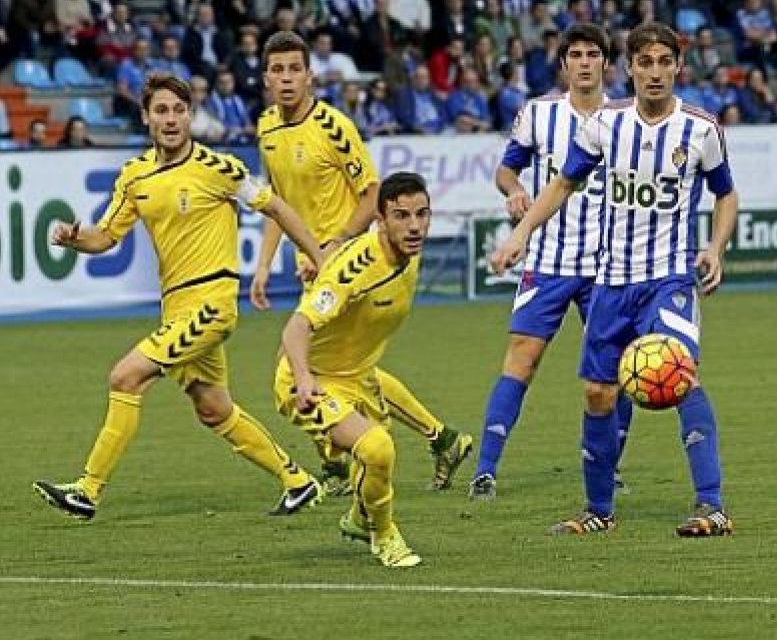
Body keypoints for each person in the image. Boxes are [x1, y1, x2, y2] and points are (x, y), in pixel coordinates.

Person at [33, 73, 328, 522]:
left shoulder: (219, 167)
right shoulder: (135, 176)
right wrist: (74, 237)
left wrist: (320, 259)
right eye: (161, 111)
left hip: (213, 304)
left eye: (178, 110)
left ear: (190, 115)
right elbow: (106, 237)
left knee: (125, 377)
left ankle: (88, 490)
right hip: (177, 307)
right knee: (213, 409)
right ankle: (298, 481)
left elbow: (276, 206)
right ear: (146, 117)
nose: (170, 119)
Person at [490, 22, 738, 538]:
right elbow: (562, 183)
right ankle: (598, 511)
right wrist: (521, 235)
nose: (653, 72)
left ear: (677, 67)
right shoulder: (606, 124)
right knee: (599, 395)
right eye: (643, 62)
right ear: (629, 68)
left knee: (678, 372)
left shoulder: (700, 129)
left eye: (663, 62)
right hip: (610, 282)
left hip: (668, 278)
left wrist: (714, 247)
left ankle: (712, 506)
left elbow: (725, 194)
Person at [252, 31, 473, 495]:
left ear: (310, 75)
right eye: (278, 70)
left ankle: (336, 463)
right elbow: (277, 201)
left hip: (348, 259)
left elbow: (374, 194)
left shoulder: (334, 127)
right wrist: (264, 265)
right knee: (342, 366)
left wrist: (336, 243)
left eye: (296, 69)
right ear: (266, 77)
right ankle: (440, 438)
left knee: (296, 367)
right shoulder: (266, 126)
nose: (287, 78)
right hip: (311, 261)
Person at [468, 23, 634, 501]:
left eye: (592, 54)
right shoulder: (539, 115)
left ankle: (609, 467)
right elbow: (506, 168)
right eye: (575, 54)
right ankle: (486, 469)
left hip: (610, 265)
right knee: (523, 358)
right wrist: (515, 188)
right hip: (549, 258)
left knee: (622, 368)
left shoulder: (627, 118)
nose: (584, 62)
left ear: (606, 63)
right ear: (563, 64)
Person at [276, 172, 433, 568]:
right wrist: (305, 379)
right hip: (308, 378)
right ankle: (385, 537)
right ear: (380, 219)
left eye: (422, 214)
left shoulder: (408, 251)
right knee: (377, 448)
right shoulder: (358, 267)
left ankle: (361, 519)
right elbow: (296, 328)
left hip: (358, 377)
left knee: (375, 461)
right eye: (401, 216)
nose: (413, 226)